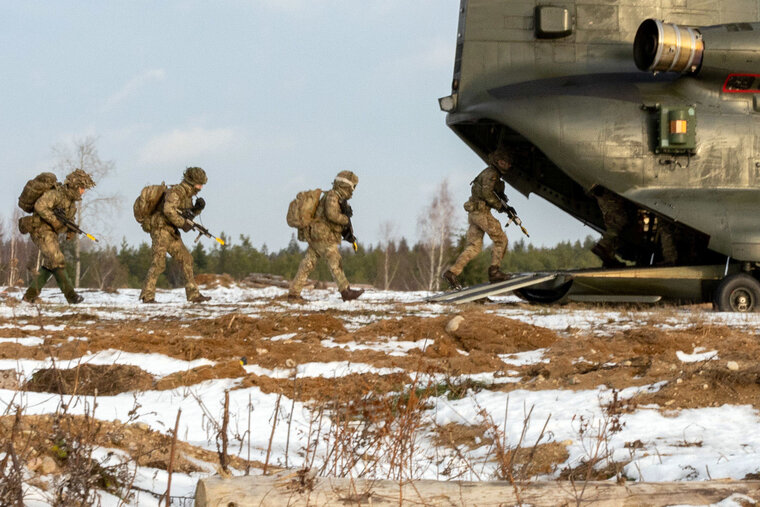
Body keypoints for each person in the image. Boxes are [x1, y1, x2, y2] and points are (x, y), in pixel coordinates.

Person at [442, 149, 514, 289]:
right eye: (506, 163)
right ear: (499, 162)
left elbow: (490, 194)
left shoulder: (492, 174)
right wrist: (503, 207)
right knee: (501, 240)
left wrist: (505, 206)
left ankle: (452, 273)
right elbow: (487, 195)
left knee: (474, 247)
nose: (509, 166)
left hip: (474, 214)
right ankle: (494, 271)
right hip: (481, 213)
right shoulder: (491, 174)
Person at [21, 169, 95, 304]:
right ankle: (71, 296)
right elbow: (40, 206)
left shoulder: (71, 203)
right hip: (40, 230)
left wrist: (70, 230)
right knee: (57, 259)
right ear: (74, 185)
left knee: (50, 264)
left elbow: (69, 219)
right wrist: (54, 220)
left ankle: (29, 296)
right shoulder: (55, 194)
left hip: (51, 233)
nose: (83, 191)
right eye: (82, 187)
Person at [288, 171, 364, 301]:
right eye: (352, 187)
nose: (353, 191)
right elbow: (331, 214)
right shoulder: (333, 196)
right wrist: (345, 219)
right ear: (345, 186)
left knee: (308, 263)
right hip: (323, 236)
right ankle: (345, 291)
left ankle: (294, 293)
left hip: (317, 235)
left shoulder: (335, 196)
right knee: (335, 261)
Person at [140, 167, 210, 303]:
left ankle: (193, 295)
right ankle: (147, 296)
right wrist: (183, 223)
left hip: (172, 232)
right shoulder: (177, 192)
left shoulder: (188, 195)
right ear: (191, 182)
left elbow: (186, 215)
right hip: (161, 229)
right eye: (199, 184)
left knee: (186, 259)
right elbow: (168, 211)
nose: (200, 187)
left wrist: (197, 209)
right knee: (158, 263)